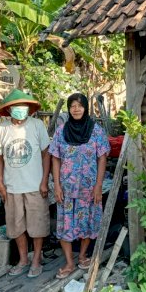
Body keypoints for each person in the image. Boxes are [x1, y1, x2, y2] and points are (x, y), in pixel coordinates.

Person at [49, 93, 110, 279]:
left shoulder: (96, 130)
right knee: (65, 225)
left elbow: (102, 158)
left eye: (80, 105)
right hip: (66, 189)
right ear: (68, 108)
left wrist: (98, 186)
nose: (76, 109)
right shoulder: (61, 131)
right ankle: (69, 262)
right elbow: (55, 158)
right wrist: (57, 186)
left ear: (86, 108)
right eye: (72, 105)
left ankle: (82, 256)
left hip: (88, 188)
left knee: (87, 222)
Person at [0, 89, 51, 278]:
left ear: (29, 109)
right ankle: (24, 259)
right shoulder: (1, 129)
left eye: (23, 107)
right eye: (16, 107)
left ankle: (36, 260)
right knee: (16, 226)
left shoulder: (37, 125)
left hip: (35, 186)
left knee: (37, 225)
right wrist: (0, 183)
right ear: (9, 110)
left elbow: (46, 154)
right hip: (12, 187)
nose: (20, 110)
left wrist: (44, 181)